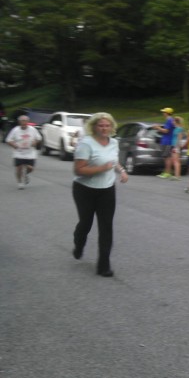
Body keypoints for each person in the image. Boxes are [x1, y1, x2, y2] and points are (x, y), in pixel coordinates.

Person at [71, 112, 129, 277]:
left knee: (106, 226)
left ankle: (103, 265)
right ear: (94, 127)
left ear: (111, 127)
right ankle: (79, 243)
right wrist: (101, 169)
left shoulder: (114, 142)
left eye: (107, 125)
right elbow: (79, 170)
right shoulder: (86, 143)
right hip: (84, 189)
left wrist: (122, 171)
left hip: (107, 189)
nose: (104, 128)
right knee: (86, 223)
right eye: (101, 125)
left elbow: (114, 161)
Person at [5, 114, 42, 189]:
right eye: (22, 121)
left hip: (30, 152)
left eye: (25, 121)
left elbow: (39, 138)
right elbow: (8, 140)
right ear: (19, 122)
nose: (24, 123)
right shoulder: (15, 130)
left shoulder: (32, 129)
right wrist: (14, 145)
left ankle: (26, 174)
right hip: (19, 152)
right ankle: (20, 182)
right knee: (19, 167)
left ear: (28, 121)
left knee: (30, 168)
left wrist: (34, 142)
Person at [154, 107, 175, 179]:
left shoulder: (169, 120)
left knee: (167, 157)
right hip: (166, 141)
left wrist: (158, 128)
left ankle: (167, 173)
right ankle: (166, 171)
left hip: (168, 141)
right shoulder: (169, 120)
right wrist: (160, 127)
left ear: (167, 113)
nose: (163, 113)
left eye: (164, 112)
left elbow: (166, 131)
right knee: (166, 157)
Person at [170, 116, 185, 181]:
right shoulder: (175, 128)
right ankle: (176, 175)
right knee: (174, 161)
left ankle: (177, 176)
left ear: (176, 122)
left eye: (173, 121)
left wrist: (177, 147)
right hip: (173, 145)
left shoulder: (179, 129)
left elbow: (179, 138)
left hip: (176, 146)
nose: (172, 122)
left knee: (176, 161)